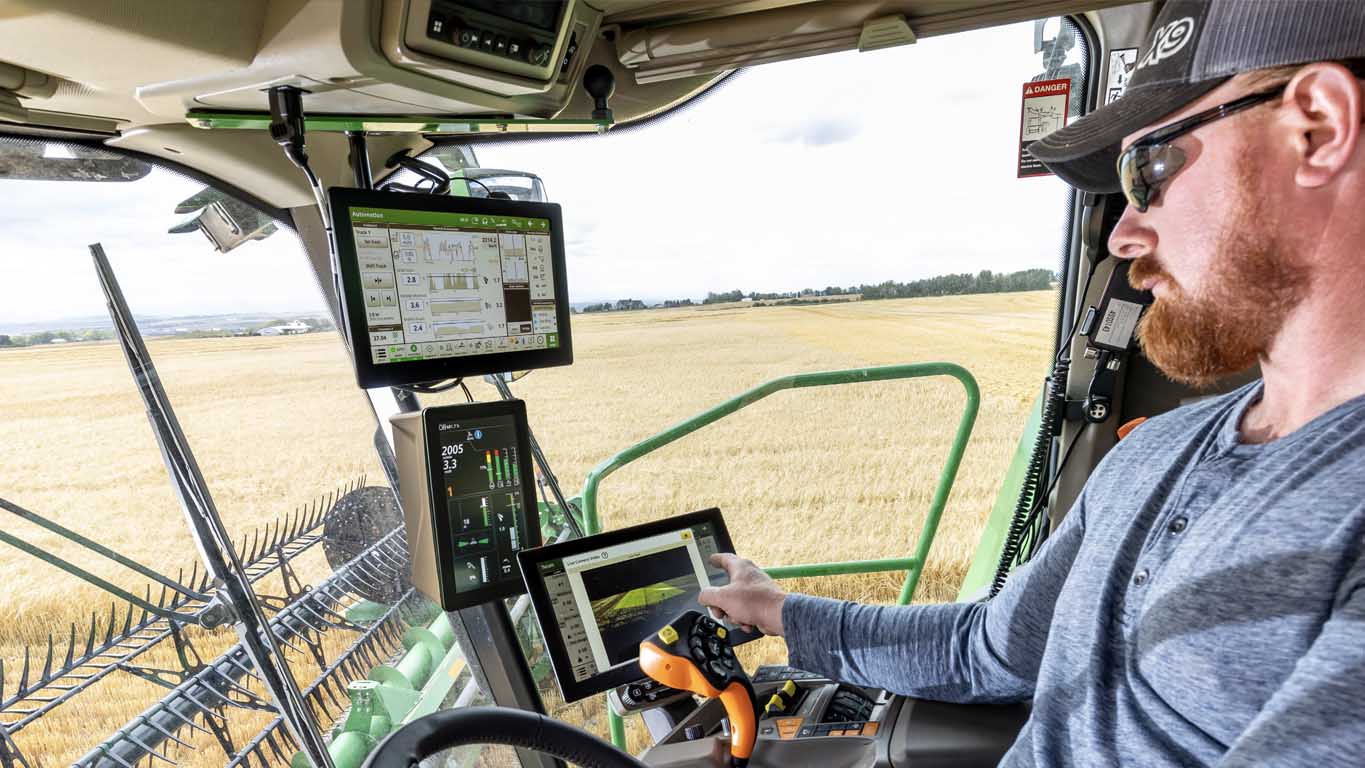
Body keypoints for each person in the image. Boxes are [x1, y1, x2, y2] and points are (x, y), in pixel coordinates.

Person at [698, 1, 1365, 766]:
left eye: (1146, 170)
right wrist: (775, 610)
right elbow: (986, 649)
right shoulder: (1161, 450)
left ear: (1315, 125)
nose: (1121, 236)